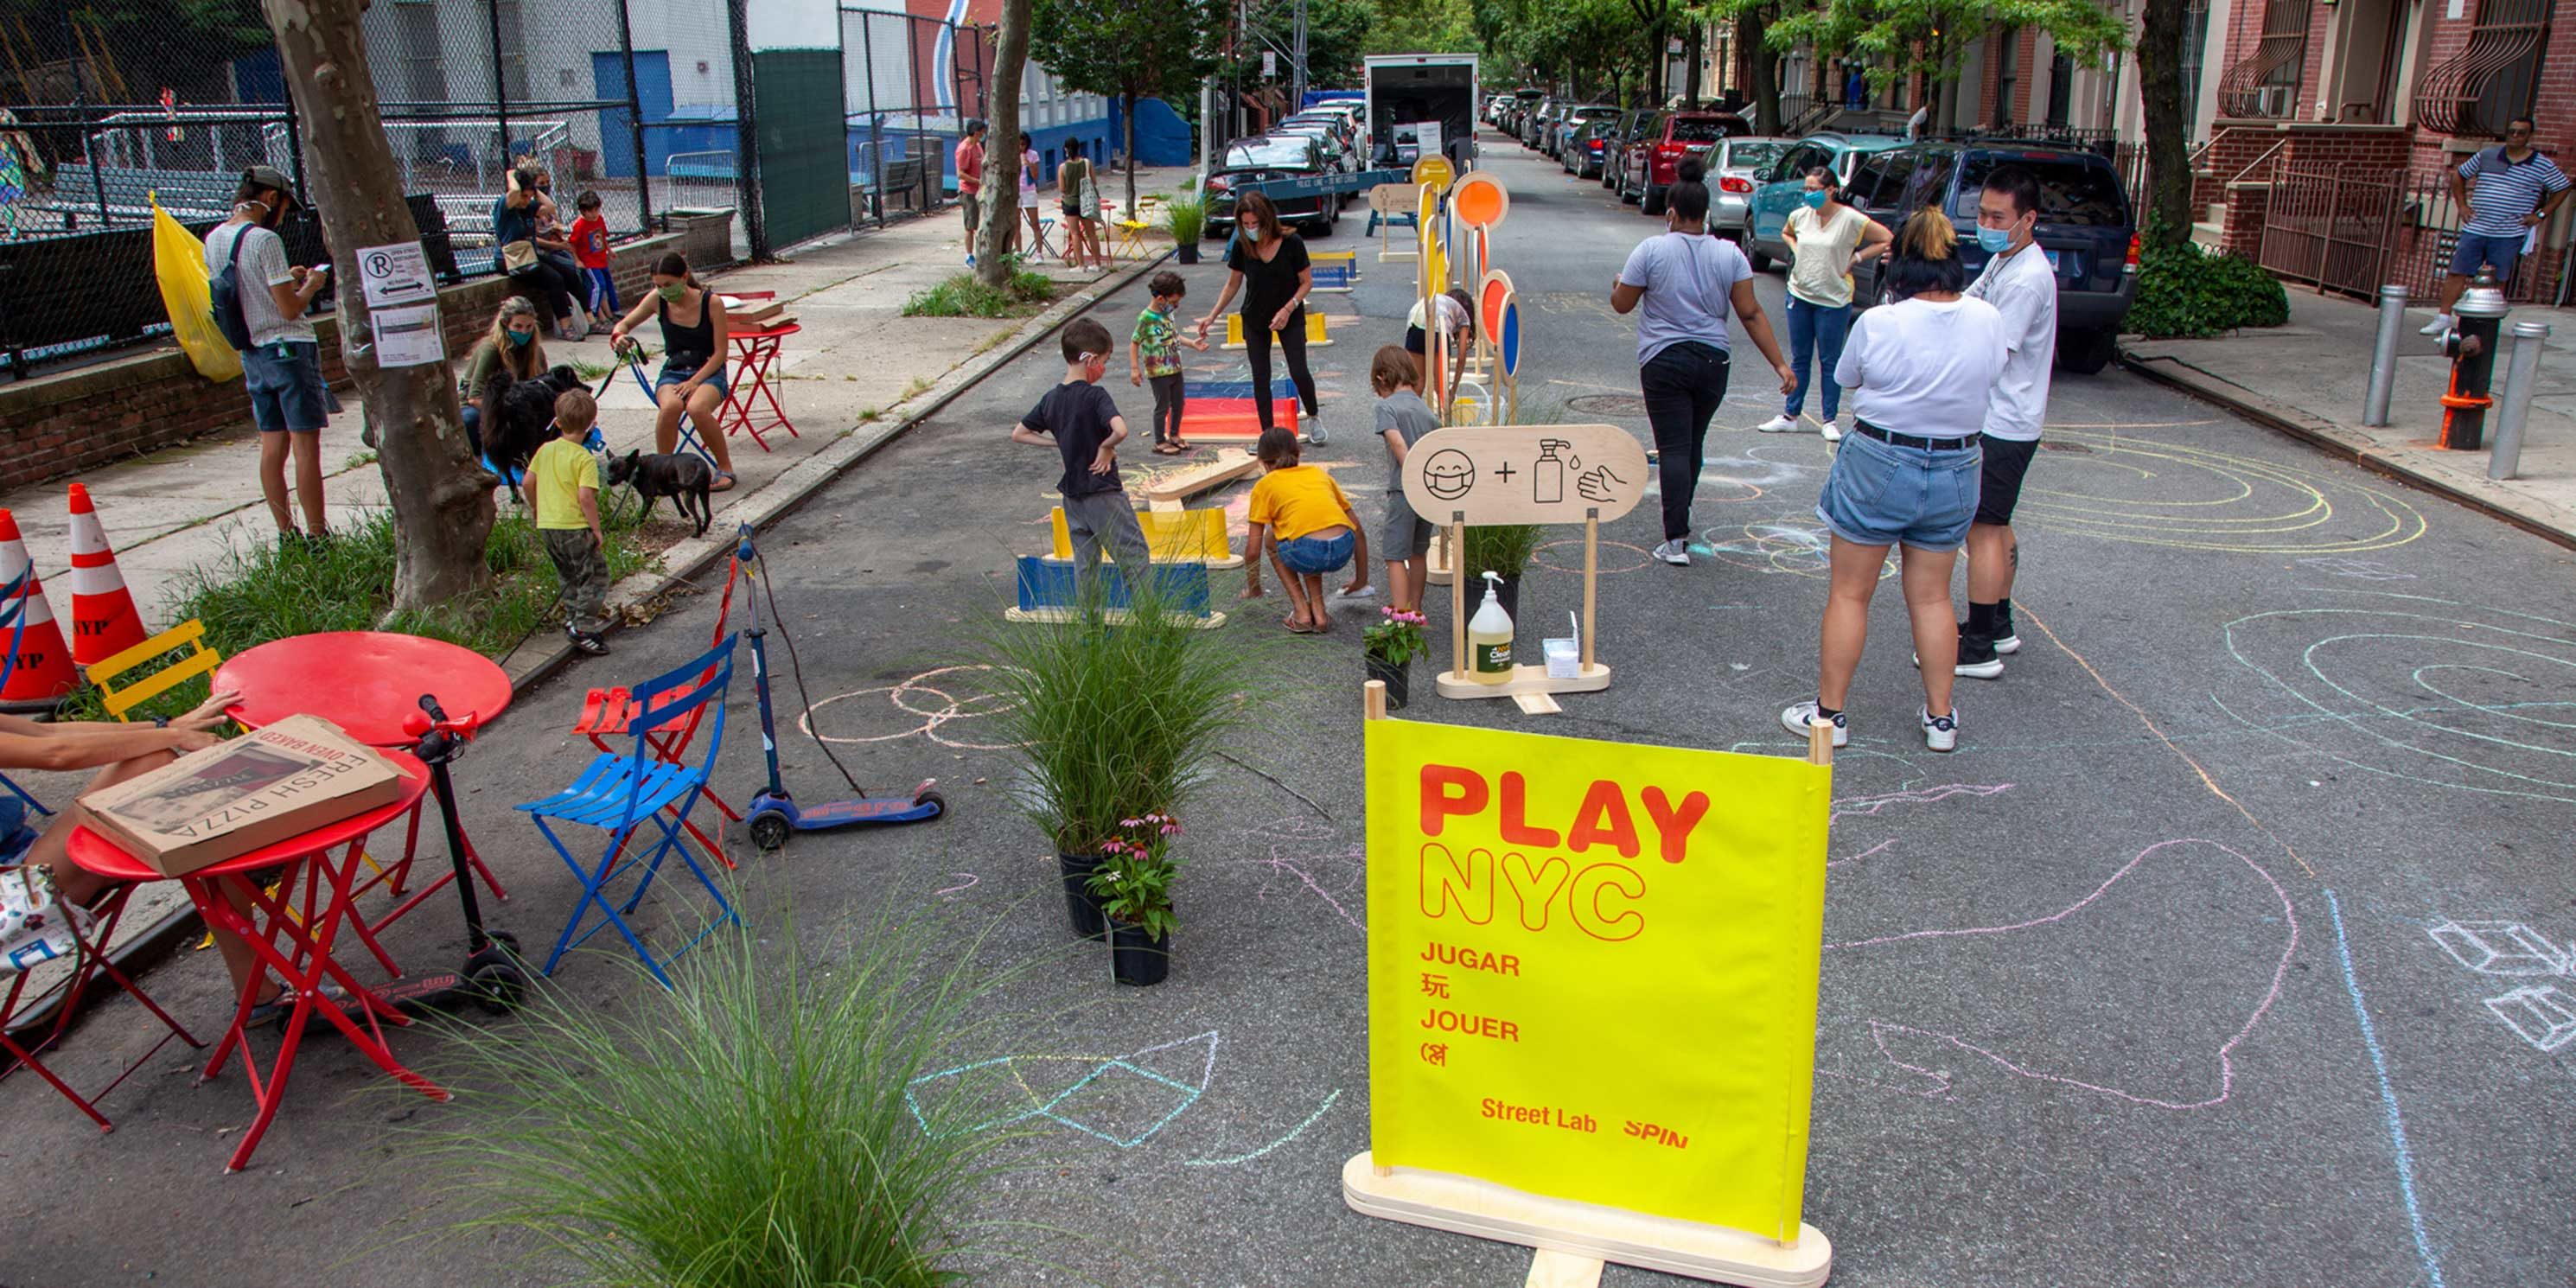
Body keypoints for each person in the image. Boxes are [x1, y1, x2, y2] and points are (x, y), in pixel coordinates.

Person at [1781, 207, 2008, 755]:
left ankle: (1830, 716)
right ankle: (1941, 718)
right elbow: (1995, 374)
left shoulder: (1880, 321)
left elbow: (1847, 378)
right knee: (1932, 598)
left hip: (1882, 457)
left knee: (1850, 593)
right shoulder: (1987, 318)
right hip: (1956, 463)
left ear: (1898, 263)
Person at [4, 692, 342, 1028]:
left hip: (21, 863)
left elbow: (44, 733)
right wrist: (174, 735)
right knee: (160, 775)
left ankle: (255, 984)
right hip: (12, 903)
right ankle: (256, 987)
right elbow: (56, 753)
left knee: (164, 780)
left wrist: (165, 726)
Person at [1610, 157, 1795, 567]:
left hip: (1664, 358)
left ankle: (1675, 539)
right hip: (1713, 360)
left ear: (1672, 212)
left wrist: (1618, 286)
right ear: (1707, 213)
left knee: (1673, 446)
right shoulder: (1729, 255)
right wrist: (1781, 365)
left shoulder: (1652, 250)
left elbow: (1623, 304)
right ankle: (1682, 516)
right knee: (1693, 444)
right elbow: (1750, 313)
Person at [1954, 164, 2056, 679]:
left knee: (1983, 530)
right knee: (1998, 522)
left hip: (2004, 422)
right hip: (2004, 419)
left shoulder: (2027, 278)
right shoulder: (2003, 261)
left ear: (2027, 219)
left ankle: (1977, 646)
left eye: (1998, 216)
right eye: (1982, 213)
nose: (1986, 223)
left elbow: (1996, 349)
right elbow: (1968, 304)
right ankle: (1999, 623)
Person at [207, 164, 333, 547]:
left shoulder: (214, 238)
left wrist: (286, 278)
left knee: (272, 448)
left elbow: (245, 291)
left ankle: (286, 534)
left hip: (253, 354)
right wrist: (311, 285)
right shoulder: (264, 240)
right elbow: (290, 310)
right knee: (305, 449)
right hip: (288, 351)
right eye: (283, 207)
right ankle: (317, 536)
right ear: (271, 199)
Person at [1758, 167, 1892, 441]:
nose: (1809, 195)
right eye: (1806, 189)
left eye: (1815, 189)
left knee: (1830, 360)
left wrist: (1856, 258)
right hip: (1800, 294)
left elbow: (1885, 238)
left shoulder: (1850, 219)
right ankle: (1790, 415)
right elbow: (1787, 232)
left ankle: (1829, 419)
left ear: (1831, 189)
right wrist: (1796, 250)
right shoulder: (1800, 216)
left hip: (1833, 298)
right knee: (1800, 358)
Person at [1013, 318, 1149, 584]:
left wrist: (1058, 442)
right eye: (1105, 361)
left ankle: (1090, 623)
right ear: (1090, 359)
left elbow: (1019, 434)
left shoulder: (1051, 399)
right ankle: (1150, 621)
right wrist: (1106, 445)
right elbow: (1120, 430)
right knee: (1135, 557)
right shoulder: (1095, 395)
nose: (1104, 369)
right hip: (1103, 493)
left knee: (1086, 566)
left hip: (1073, 498)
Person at [1197, 190, 1327, 443]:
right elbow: (1233, 283)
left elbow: (1306, 282)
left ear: (1267, 220)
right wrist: (1213, 316)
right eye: (1245, 225)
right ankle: (1267, 433)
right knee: (1260, 376)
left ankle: (1313, 415)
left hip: (1289, 314)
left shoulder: (1292, 243)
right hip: (1255, 317)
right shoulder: (1242, 246)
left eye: (1255, 224)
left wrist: (1288, 308)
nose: (1251, 229)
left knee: (1299, 370)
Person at [2422, 116, 2570, 335]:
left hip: (2509, 231)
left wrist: (2540, 214)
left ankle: (2488, 321)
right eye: (2511, 131)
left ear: (2530, 136)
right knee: (2458, 271)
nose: (2515, 136)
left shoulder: (2541, 164)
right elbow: (2459, 176)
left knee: (2497, 277)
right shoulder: (2488, 155)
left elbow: (2562, 187)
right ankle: (2443, 318)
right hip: (2477, 227)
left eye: (2521, 132)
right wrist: (2462, 205)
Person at [607, 252, 738, 493]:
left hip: (708, 369)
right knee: (670, 408)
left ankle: (725, 467)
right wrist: (619, 336)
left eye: (668, 284)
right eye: (657, 285)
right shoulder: (657, 299)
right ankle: (662, 471)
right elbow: (623, 324)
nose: (664, 290)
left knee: (697, 408)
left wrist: (695, 382)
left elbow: (721, 353)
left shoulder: (711, 302)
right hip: (674, 370)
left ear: (684, 277)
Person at [1244, 427, 1371, 634]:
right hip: (1342, 547)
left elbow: (1252, 550)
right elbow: (1358, 530)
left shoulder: (1265, 484)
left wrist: (1254, 588)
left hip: (1307, 551)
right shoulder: (1317, 473)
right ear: (1299, 453)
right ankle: (1320, 614)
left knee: (1275, 539)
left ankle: (1302, 612)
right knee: (1308, 531)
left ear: (1262, 462)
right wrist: (1361, 580)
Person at [526, 387, 611, 656]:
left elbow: (528, 482)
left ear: (558, 422)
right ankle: (583, 627)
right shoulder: (583, 458)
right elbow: (585, 497)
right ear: (591, 425)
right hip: (574, 527)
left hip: (549, 526)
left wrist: (537, 508)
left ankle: (572, 618)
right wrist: (596, 529)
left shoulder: (545, 450)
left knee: (568, 575)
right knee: (595, 576)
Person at [1372, 344, 1441, 613]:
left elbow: (1397, 443)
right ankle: (1416, 610)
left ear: (1381, 377)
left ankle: (1401, 617)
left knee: (1394, 555)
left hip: (1404, 489)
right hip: (1427, 491)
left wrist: (1410, 473)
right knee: (1418, 552)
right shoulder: (1426, 410)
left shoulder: (1386, 408)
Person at [494, 162, 583, 337]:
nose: (525, 201)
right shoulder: (505, 206)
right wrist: (512, 175)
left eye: (529, 197)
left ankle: (589, 317)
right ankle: (566, 327)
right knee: (554, 279)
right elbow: (513, 193)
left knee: (568, 271)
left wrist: (535, 190)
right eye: (523, 196)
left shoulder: (529, 207)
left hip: (530, 255)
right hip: (512, 260)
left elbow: (550, 207)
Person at [458, 296, 549, 462]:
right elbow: (474, 398)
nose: (524, 332)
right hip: (485, 407)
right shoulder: (490, 349)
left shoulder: (536, 351)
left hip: (517, 404)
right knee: (470, 420)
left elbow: (544, 387)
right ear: (506, 324)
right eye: (518, 326)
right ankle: (478, 461)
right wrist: (511, 412)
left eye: (529, 326)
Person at [1131, 270, 1208, 455]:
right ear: (1160, 299)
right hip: (1158, 371)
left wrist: (1192, 343)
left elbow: (1172, 336)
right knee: (1162, 405)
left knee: (1179, 403)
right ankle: (1159, 441)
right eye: (1173, 302)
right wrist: (1135, 368)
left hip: (1174, 367)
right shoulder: (1146, 318)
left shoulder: (1168, 314)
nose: (1176, 306)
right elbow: (1134, 342)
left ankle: (1174, 434)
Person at [1405, 287, 1476, 402]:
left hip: (1415, 322)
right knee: (1441, 387)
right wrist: (1453, 390)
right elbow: (1461, 357)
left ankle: (1409, 417)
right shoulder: (1464, 317)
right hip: (1439, 327)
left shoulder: (1441, 300)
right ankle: (1445, 418)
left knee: (1417, 383)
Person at [569, 190, 618, 322]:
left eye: (596, 210)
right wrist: (577, 260)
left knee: (607, 284)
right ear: (583, 211)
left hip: (600, 258)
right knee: (599, 285)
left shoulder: (599, 220)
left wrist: (609, 250)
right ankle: (593, 311)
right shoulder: (580, 225)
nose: (594, 214)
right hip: (589, 261)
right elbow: (572, 244)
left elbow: (602, 236)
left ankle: (612, 311)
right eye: (590, 211)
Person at [1059, 139, 1106, 271]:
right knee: (1092, 234)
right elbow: (1094, 181)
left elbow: (1062, 188)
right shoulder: (1087, 163)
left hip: (1070, 203)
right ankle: (1097, 264)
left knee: (1075, 234)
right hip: (1087, 203)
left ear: (1066, 149)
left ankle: (1080, 265)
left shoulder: (1063, 167)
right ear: (1079, 148)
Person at [957, 118, 988, 266]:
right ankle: (969, 255)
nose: (983, 135)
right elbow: (961, 173)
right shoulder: (965, 149)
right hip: (969, 191)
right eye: (982, 133)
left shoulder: (978, 147)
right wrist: (977, 181)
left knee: (982, 223)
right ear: (976, 133)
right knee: (970, 225)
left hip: (980, 189)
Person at [1019, 135, 1045, 263]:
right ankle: (1019, 253)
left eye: (1023, 144)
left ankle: (1039, 253)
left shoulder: (1033, 155)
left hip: (1029, 190)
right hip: (1016, 192)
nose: (1021, 147)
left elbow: (1035, 176)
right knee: (1015, 224)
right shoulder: (1011, 155)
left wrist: (1028, 163)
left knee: (1035, 223)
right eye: (1019, 144)